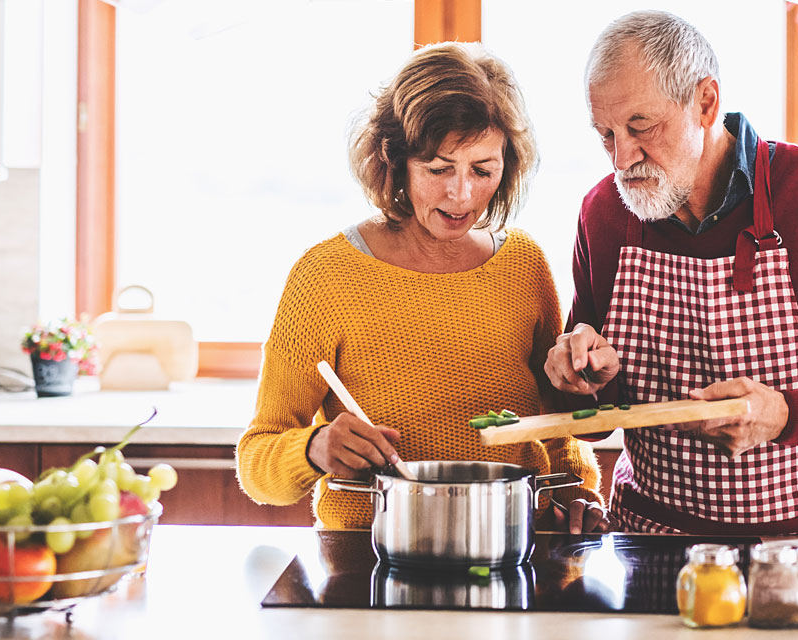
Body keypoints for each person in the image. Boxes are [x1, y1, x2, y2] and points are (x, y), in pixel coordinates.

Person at [544, 11, 798, 536]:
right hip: (650, 543)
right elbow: (584, 413)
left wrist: (785, 414)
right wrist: (584, 378)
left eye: (640, 127)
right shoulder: (604, 213)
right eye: (605, 134)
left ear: (705, 102)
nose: (622, 158)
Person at [238, 42, 605, 532]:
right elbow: (258, 463)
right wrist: (313, 448)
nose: (461, 194)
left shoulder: (523, 264)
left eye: (483, 169)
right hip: (371, 557)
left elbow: (554, 423)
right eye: (437, 169)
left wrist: (578, 490)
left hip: (511, 542)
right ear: (395, 160)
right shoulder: (326, 276)